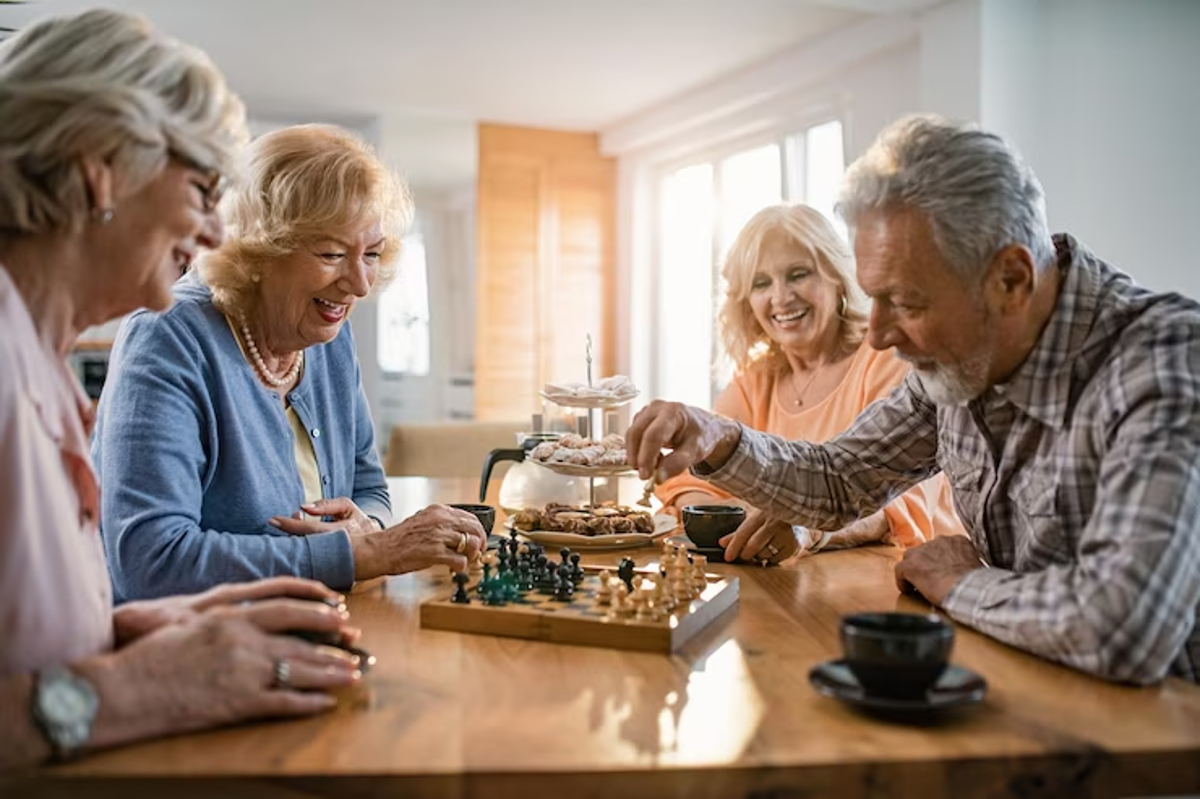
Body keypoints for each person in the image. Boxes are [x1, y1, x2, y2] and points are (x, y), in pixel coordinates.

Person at [626, 114, 1200, 685]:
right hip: (1016, 694)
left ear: (1010, 280)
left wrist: (959, 583)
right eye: (875, 298)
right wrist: (721, 438)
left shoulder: (1164, 364)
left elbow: (1123, 627)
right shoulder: (956, 365)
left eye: (906, 301)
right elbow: (839, 480)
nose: (877, 334)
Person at [0, 9, 365, 769]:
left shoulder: (37, 357)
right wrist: (132, 689)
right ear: (99, 168)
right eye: (202, 189)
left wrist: (132, 631)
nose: (212, 236)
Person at [93, 124, 487, 601]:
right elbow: (149, 562)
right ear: (258, 251)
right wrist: (365, 554)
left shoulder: (328, 340)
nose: (360, 284)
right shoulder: (168, 335)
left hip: (319, 622)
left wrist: (371, 527)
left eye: (373, 254)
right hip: (192, 648)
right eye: (332, 253)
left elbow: (369, 489)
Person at [655, 204, 964, 563]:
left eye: (798, 274)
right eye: (761, 282)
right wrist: (715, 514)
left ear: (837, 277)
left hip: (902, 580)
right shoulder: (754, 380)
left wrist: (807, 526)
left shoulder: (888, 358)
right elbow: (692, 479)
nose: (781, 297)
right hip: (793, 581)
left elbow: (898, 501)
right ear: (746, 300)